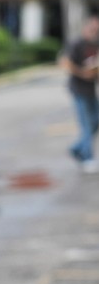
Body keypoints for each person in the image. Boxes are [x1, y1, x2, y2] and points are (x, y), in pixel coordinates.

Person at [61, 15, 99, 174]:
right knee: (85, 125)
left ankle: (77, 148)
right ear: (86, 28)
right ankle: (87, 159)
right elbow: (65, 62)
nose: (95, 32)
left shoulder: (95, 44)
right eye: (93, 29)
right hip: (78, 89)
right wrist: (82, 73)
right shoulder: (76, 43)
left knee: (96, 121)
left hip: (91, 90)